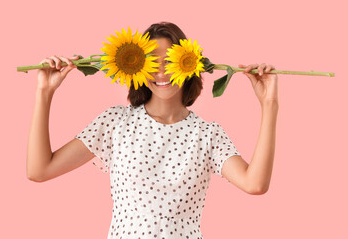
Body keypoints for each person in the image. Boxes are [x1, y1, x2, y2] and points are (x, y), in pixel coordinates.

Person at [27, 22, 278, 239]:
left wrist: (269, 105)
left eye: (170, 61)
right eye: (151, 62)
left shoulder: (207, 135)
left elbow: (254, 184)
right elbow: (40, 170)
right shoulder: (116, 123)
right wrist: (44, 92)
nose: (160, 71)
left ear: (189, 64)